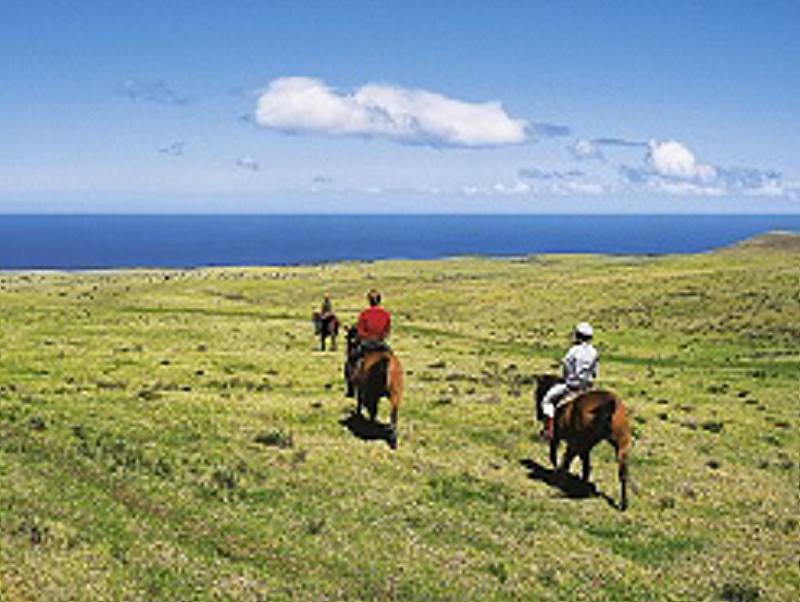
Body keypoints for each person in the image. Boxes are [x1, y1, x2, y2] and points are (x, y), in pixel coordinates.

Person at [540, 321, 599, 440]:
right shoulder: (594, 352)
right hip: (588, 386)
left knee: (546, 400)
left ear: (578, 335)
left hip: (572, 386)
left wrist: (567, 378)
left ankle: (549, 429)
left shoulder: (574, 350)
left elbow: (566, 366)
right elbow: (594, 371)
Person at [346, 290, 392, 396]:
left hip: (367, 343)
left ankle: (350, 388)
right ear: (379, 301)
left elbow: (361, 331)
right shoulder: (386, 315)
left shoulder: (364, 314)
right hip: (381, 344)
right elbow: (387, 331)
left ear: (369, 301)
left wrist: (363, 337)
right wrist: (380, 337)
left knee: (351, 360)